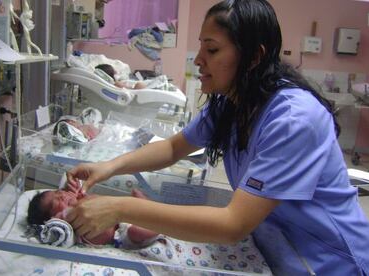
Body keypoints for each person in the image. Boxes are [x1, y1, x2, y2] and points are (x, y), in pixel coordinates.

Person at [64, 0, 369, 274]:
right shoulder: (232, 103)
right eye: (200, 48)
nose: (198, 60)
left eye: (211, 50)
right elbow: (173, 147)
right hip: (272, 248)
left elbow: (234, 224)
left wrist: (120, 208)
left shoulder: (294, 120)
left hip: (328, 261)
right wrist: (108, 167)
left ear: (253, 57)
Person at [27, 183, 158, 247]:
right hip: (122, 235)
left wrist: (81, 195)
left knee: (135, 210)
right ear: (51, 218)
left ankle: (146, 208)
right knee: (136, 232)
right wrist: (62, 216)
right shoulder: (69, 219)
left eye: (58, 192)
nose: (62, 195)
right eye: (53, 203)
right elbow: (55, 228)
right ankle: (157, 226)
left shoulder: (80, 200)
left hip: (122, 216)